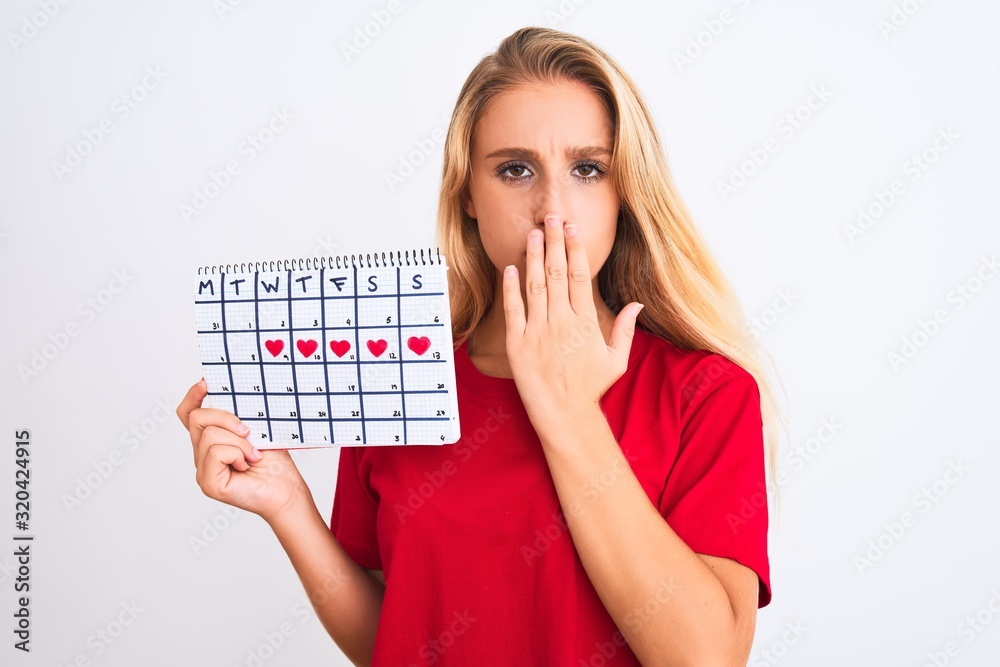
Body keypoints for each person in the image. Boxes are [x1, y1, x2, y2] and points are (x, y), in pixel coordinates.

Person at [177, 26, 782, 667]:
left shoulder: (706, 393)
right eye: (515, 170)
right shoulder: (397, 373)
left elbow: (706, 658)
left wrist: (570, 411)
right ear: (468, 192)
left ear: (623, 191)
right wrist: (288, 507)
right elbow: (396, 634)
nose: (554, 210)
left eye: (587, 169)